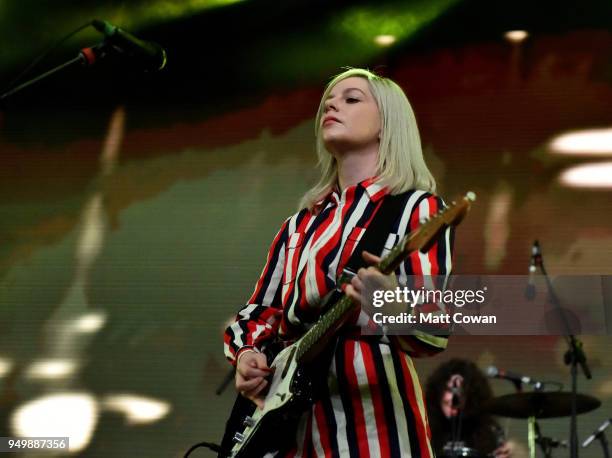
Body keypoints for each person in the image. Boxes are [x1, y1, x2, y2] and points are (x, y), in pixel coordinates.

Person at [224, 67, 453, 457]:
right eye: (328, 101)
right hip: (289, 435)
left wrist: (387, 303)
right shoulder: (299, 226)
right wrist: (248, 355)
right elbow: (257, 313)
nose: (331, 105)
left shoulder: (417, 208)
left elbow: (433, 331)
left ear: (387, 123)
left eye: (351, 99)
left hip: (376, 429)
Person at [424, 358, 512, 457]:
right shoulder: (426, 427)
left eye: (461, 391)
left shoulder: (489, 430)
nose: (453, 397)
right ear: (438, 392)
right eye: (449, 389)